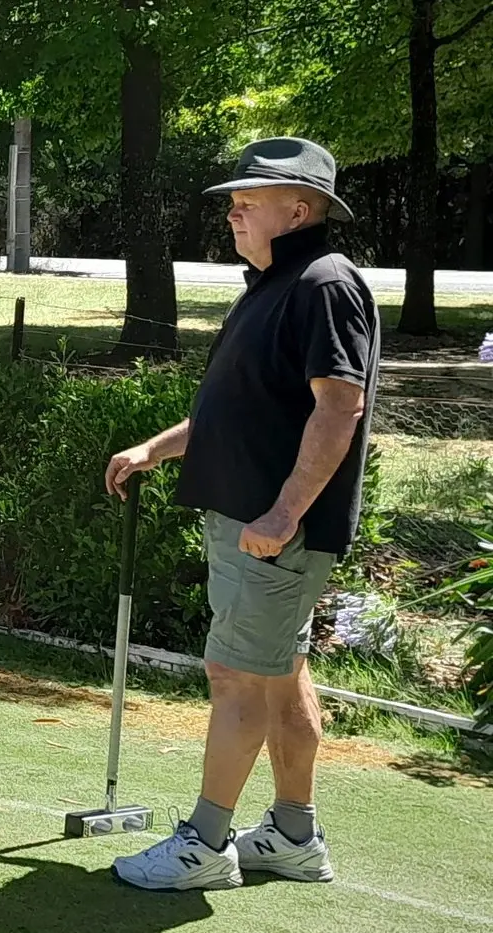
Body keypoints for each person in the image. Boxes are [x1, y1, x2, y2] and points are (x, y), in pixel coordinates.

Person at [106, 138, 379, 891]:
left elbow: (338, 406)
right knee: (279, 677)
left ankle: (204, 842)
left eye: (246, 199)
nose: (232, 211)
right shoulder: (273, 281)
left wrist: (286, 510)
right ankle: (293, 835)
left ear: (297, 209)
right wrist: (157, 448)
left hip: (273, 532)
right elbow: (246, 406)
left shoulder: (322, 282)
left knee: (237, 679)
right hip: (254, 526)